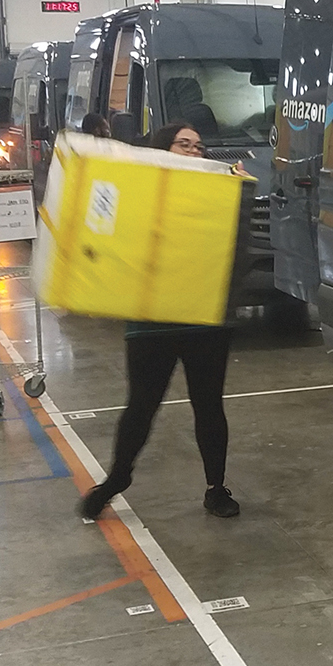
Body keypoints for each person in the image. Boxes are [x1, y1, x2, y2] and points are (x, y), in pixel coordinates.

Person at [79, 123, 245, 522]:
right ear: (160, 149)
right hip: (151, 322)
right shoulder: (139, 191)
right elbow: (105, 227)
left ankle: (215, 487)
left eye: (199, 147)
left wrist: (238, 191)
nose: (193, 151)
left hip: (203, 319)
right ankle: (117, 478)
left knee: (209, 407)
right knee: (141, 406)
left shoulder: (216, 192)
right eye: (183, 144)